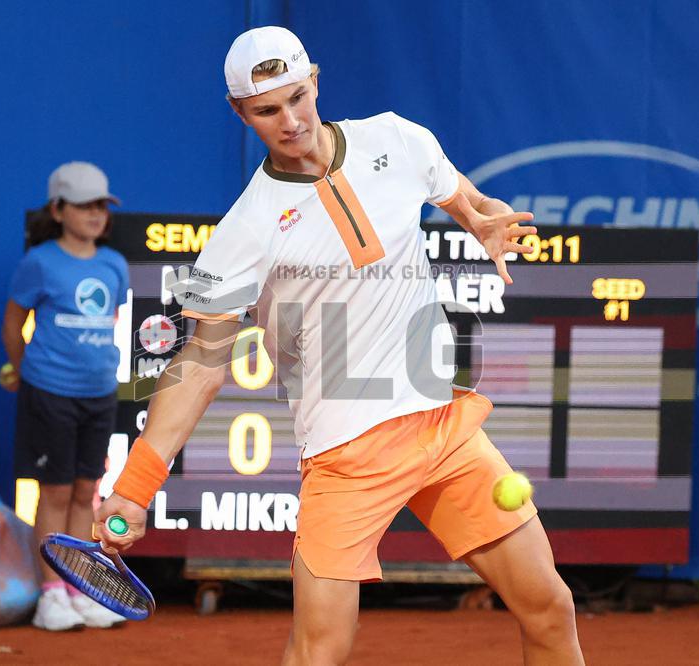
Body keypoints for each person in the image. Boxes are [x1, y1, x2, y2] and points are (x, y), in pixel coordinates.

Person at [96, 27, 584, 664]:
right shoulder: (245, 229)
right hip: (345, 456)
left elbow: (462, 197)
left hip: (445, 428)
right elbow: (199, 366)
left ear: (316, 81)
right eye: (268, 110)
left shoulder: (397, 139)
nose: (291, 121)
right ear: (240, 113)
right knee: (319, 651)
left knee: (551, 608)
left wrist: (483, 218)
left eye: (298, 97)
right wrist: (135, 485)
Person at [1, 161, 130, 631]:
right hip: (49, 393)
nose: (96, 214)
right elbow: (14, 323)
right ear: (58, 210)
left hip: (99, 395)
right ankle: (51, 594)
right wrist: (24, 371)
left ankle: (79, 586)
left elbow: (108, 322)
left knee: (85, 492)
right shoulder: (39, 262)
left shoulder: (114, 265)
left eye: (102, 205)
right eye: (84, 205)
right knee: (54, 492)